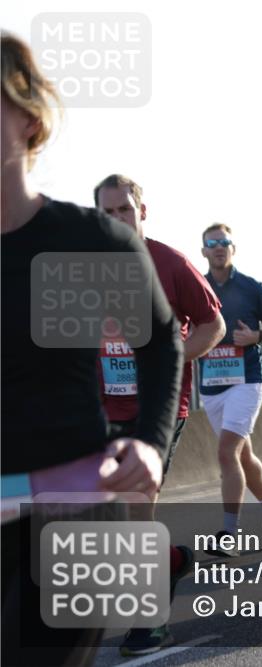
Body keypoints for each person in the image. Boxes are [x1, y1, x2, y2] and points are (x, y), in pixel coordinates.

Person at [1, 32, 182, 666]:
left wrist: (151, 443)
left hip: (74, 506)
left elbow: (161, 341)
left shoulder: (90, 241)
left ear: (27, 116)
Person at [94, 174, 225, 655]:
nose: (118, 221)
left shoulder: (169, 263)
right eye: (107, 214)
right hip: (101, 407)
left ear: (141, 212)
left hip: (160, 408)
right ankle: (169, 560)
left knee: (134, 506)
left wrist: (172, 361)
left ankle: (151, 624)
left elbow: (214, 324)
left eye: (125, 211)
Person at [199, 224, 262, 555]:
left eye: (224, 242)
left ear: (233, 248)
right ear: (204, 251)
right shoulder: (197, 287)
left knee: (226, 452)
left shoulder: (252, 288)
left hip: (248, 379)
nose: (219, 247)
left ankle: (229, 534)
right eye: (212, 243)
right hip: (211, 383)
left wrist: (257, 336)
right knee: (242, 455)